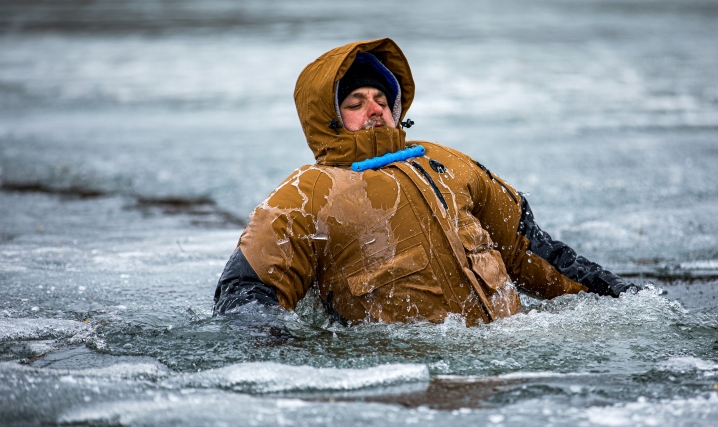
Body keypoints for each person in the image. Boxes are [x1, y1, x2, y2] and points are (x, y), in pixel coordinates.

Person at [214, 38, 637, 326]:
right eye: (355, 103)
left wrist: (624, 297)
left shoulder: (448, 161)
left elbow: (531, 250)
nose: (374, 109)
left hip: (507, 359)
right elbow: (246, 294)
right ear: (328, 118)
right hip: (398, 378)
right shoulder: (306, 193)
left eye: (382, 99)